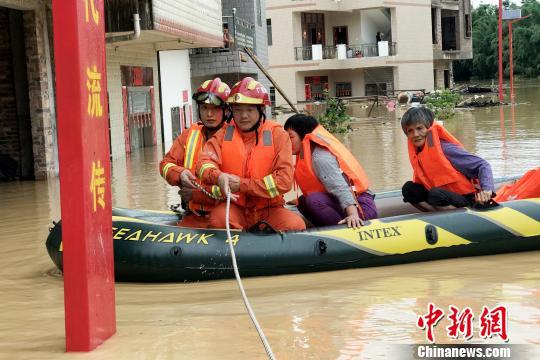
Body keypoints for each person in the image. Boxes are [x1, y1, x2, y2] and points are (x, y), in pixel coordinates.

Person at [196, 77, 306, 231]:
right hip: (235, 207)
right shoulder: (223, 133)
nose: (243, 116)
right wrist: (218, 176)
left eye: (249, 109)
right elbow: (203, 163)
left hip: (269, 209)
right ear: (231, 111)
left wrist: (242, 185)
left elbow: (284, 181)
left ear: (261, 110)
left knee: (295, 225)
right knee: (218, 221)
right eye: (238, 110)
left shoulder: (278, 135)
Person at [159, 78, 231, 228]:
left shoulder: (234, 138)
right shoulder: (189, 134)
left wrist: (197, 194)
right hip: (193, 215)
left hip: (225, 216)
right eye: (204, 108)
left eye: (215, 108)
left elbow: (236, 187)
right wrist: (180, 174)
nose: (209, 114)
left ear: (226, 111)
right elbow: (165, 165)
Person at [284, 114, 378, 228]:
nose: (287, 142)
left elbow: (340, 187)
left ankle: (343, 231)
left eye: (291, 137)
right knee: (303, 201)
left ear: (303, 135)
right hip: (345, 202)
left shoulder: (319, 157)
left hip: (361, 207)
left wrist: (353, 215)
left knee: (313, 200)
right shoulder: (308, 152)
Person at [401, 107, 495, 211]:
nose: (415, 134)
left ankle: (451, 220)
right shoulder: (418, 152)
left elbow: (482, 165)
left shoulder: (446, 149)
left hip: (466, 199)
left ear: (429, 128)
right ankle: (431, 216)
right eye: (410, 131)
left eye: (420, 128)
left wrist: (487, 190)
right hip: (439, 196)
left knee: (435, 194)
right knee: (409, 189)